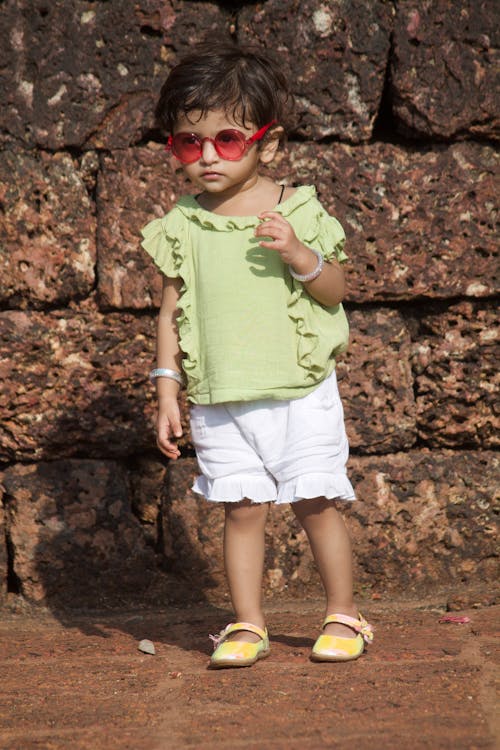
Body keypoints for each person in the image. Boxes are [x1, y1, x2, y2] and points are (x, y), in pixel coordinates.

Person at [141, 43, 373, 668]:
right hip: (219, 395)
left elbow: (336, 289)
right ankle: (247, 623)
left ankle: (344, 614)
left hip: (299, 390)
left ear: (268, 145)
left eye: (227, 139)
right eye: (189, 143)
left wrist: (302, 256)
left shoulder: (296, 209)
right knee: (241, 510)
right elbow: (170, 312)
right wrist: (167, 389)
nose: (208, 156)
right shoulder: (181, 225)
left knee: (314, 502)